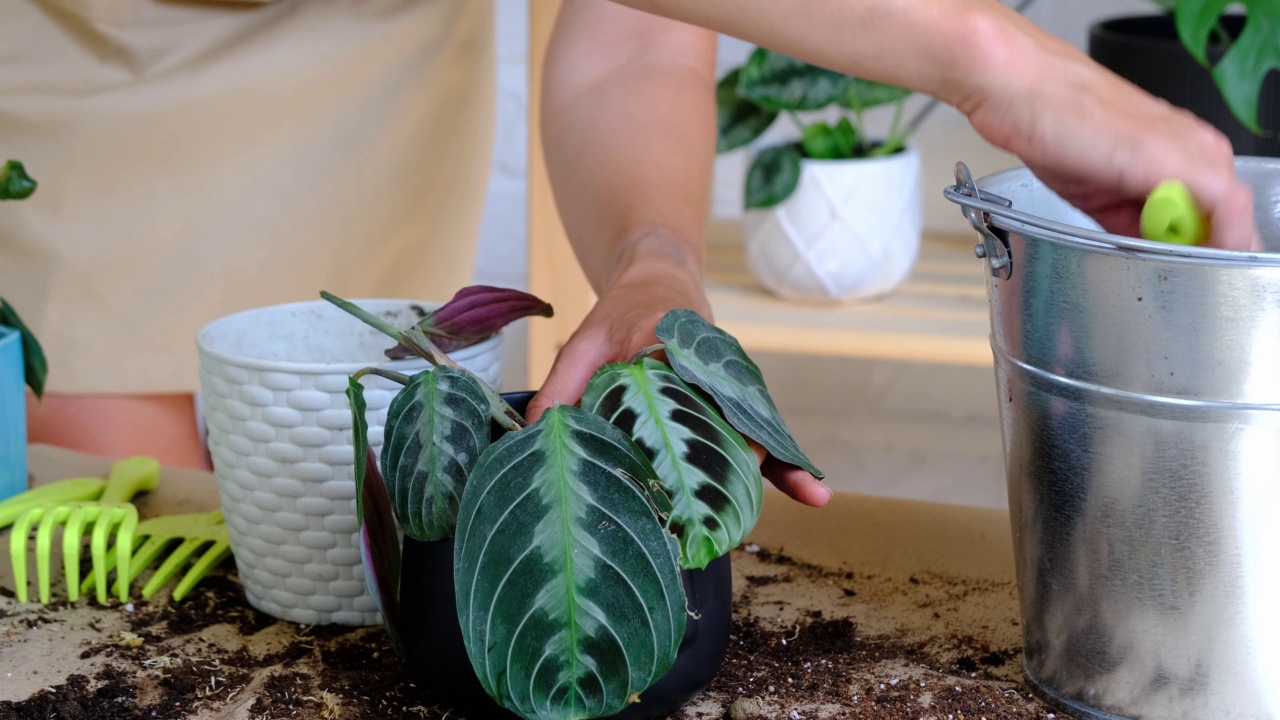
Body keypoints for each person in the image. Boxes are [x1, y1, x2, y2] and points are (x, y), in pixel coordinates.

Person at [1, 0, 1259, 510]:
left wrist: (654, 266)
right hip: (80, 247)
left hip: (393, 326)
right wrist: (990, 59)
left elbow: (634, 39)